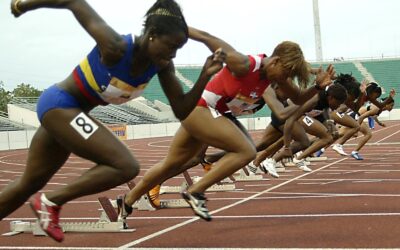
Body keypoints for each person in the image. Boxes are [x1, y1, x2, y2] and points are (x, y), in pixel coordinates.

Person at [1, 0, 224, 242]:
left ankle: (47, 200)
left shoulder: (162, 66)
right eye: (170, 46)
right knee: (125, 166)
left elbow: (181, 109)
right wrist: (23, 4)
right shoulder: (115, 46)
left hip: (74, 114)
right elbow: (73, 2)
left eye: (178, 49)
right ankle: (51, 201)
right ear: (152, 35)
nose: (172, 54)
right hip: (59, 104)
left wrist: (204, 76)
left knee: (29, 182)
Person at [121, 26, 335, 221]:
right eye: (286, 73)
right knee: (247, 151)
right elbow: (207, 37)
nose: (284, 79)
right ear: (276, 61)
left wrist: (316, 88)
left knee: (171, 164)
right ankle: (195, 191)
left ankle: (127, 201)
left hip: (210, 114)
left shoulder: (273, 78)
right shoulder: (244, 64)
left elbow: (298, 98)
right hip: (201, 108)